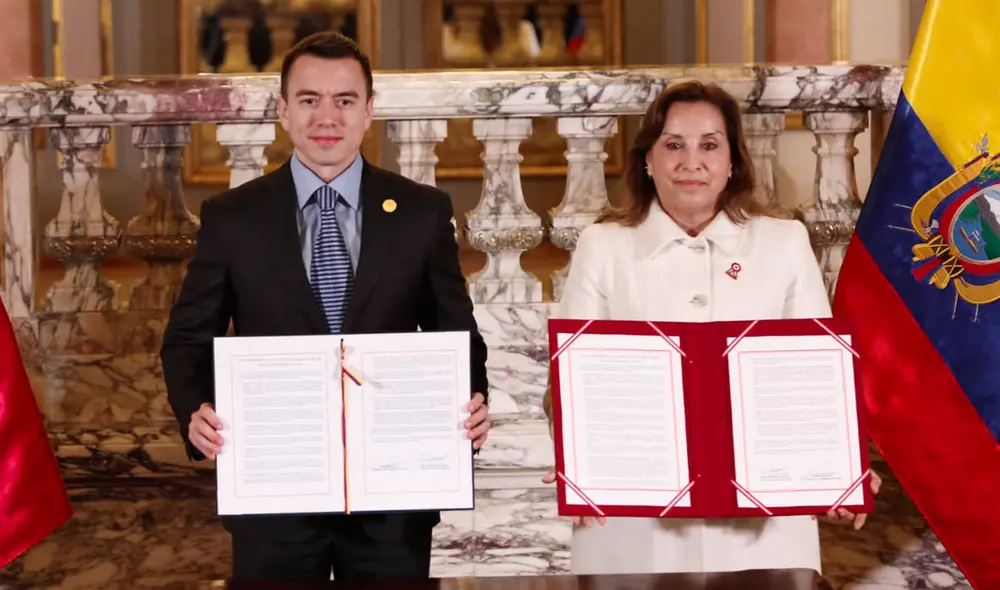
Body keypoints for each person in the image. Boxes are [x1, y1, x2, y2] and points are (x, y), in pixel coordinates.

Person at [160, 32, 491, 582]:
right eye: (309, 100)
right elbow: (188, 338)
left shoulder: (420, 212)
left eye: (344, 100)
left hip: (392, 496)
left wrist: (473, 398)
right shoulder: (232, 217)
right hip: (273, 494)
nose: (326, 116)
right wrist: (196, 410)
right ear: (285, 111)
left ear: (368, 112)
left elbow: (456, 336)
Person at [541, 81, 881, 574]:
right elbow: (569, 383)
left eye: (709, 145)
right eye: (673, 145)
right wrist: (578, 462)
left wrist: (837, 470)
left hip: (763, 533)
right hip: (633, 527)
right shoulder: (604, 244)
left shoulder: (784, 243)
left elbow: (816, 383)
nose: (691, 162)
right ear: (648, 160)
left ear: (732, 162)